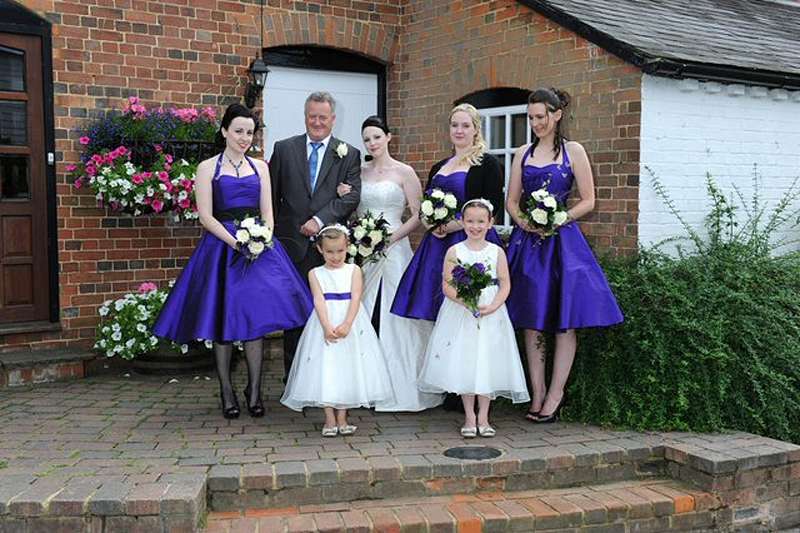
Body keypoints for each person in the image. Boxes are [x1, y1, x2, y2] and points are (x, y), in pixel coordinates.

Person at [153, 103, 313, 419]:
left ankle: (253, 390)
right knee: (223, 323)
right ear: (225, 131)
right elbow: (206, 217)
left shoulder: (260, 167)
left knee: (256, 321)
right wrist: (237, 242)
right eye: (238, 131)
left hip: (259, 247)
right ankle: (226, 390)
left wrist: (260, 238)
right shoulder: (207, 168)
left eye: (249, 133)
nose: (244, 138)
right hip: (222, 247)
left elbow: (268, 212)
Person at [505, 88, 624, 423]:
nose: (536, 123)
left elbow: (588, 200)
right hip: (528, 243)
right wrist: (525, 222)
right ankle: (537, 392)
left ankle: (556, 395)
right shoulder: (523, 154)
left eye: (541, 117)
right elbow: (512, 202)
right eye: (531, 118)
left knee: (564, 320)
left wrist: (560, 218)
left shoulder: (574, 151)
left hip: (562, 243)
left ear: (556, 114)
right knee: (532, 321)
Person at [336, 116, 442, 412]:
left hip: (395, 249)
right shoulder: (357, 172)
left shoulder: (404, 172)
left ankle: (401, 386)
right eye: (367, 139)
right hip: (367, 251)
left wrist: (389, 239)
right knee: (364, 310)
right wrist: (359, 227)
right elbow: (353, 212)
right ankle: (364, 384)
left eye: (376, 137)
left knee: (398, 314)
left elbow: (418, 215)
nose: (372, 143)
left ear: (388, 137)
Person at [269, 91, 362, 380]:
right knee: (294, 314)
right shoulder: (284, 149)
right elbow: (271, 197)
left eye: (323, 117)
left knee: (329, 313)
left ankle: (326, 379)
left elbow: (352, 197)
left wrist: (319, 219)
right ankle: (294, 379)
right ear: (305, 116)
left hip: (329, 249)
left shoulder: (349, 153)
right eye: (312, 116)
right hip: (290, 246)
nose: (317, 122)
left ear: (333, 119)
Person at [418, 199, 529, 437]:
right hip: (461, 312)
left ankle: (484, 417)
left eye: (481, 221)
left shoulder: (496, 251)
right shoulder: (454, 251)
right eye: (470, 221)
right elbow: (447, 286)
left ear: (490, 223)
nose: (475, 226)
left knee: (487, 362)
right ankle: (469, 417)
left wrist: (494, 305)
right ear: (463, 222)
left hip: (491, 312)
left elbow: (505, 283)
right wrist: (467, 303)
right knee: (465, 362)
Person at [391, 103, 504, 323]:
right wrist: (431, 224)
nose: (459, 130)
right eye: (454, 125)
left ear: (475, 130)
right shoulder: (438, 166)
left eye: (465, 125)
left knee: (468, 306)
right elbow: (425, 204)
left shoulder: (487, 164)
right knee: (437, 309)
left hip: (470, 239)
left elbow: (492, 204)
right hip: (436, 243)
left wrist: (457, 224)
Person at [280, 225, 395, 436]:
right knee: (327, 366)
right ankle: (329, 419)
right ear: (320, 250)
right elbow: (318, 299)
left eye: (340, 251)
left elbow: (356, 297)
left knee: (347, 367)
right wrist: (326, 326)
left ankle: (342, 418)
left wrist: (347, 324)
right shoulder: (315, 273)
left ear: (347, 247)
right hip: (325, 322)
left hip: (350, 322)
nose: (335, 256)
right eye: (330, 251)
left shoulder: (354, 270)